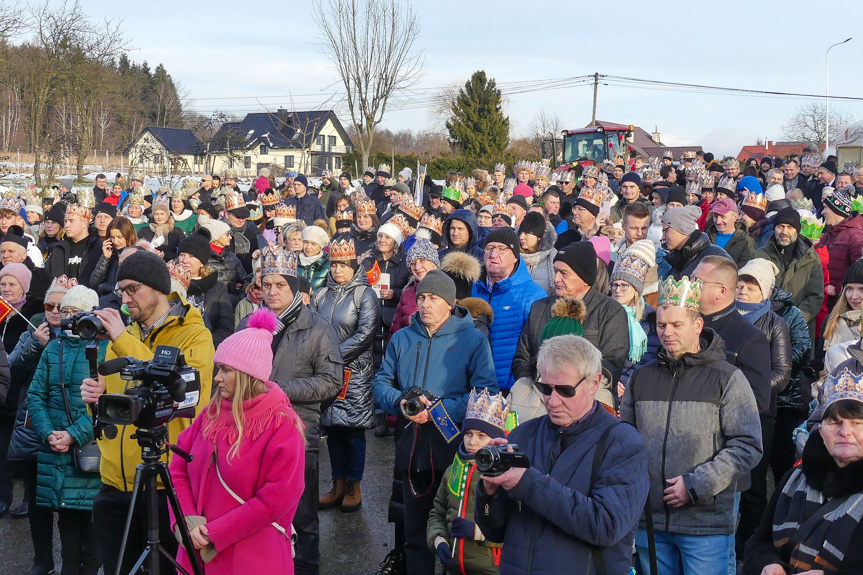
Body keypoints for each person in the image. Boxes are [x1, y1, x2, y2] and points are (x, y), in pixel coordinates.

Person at [79, 250, 215, 575]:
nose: (125, 299)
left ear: (157, 288)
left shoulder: (195, 335)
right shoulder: (121, 338)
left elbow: (187, 398)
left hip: (163, 483)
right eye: (121, 290)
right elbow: (112, 413)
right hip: (115, 482)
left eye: (132, 289)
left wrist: (124, 341)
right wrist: (94, 401)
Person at [620, 275, 763, 575]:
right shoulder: (641, 379)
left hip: (704, 523)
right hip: (651, 521)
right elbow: (626, 443)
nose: (667, 333)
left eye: (676, 325)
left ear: (697, 326)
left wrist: (696, 485)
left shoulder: (727, 378)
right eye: (661, 325)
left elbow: (748, 445)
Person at [476, 335, 649, 574]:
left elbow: (607, 526)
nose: (552, 400)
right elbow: (494, 532)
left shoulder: (622, 442)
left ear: (594, 383)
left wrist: (526, 482)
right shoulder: (522, 435)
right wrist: (489, 493)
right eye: (545, 388)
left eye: (565, 390)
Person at [372, 270, 498, 575]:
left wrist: (440, 410)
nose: (425, 304)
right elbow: (380, 382)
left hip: (456, 447)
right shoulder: (402, 337)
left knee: (453, 526)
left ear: (451, 303)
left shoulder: (473, 339)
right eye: (422, 298)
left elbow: (486, 392)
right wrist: (400, 403)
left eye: (433, 298)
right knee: (414, 532)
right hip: (411, 445)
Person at [170, 308, 306, 574]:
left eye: (225, 370)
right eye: (218, 369)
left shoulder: (282, 424)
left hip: (252, 559)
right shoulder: (210, 412)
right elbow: (178, 465)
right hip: (196, 553)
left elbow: (276, 500)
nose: (217, 377)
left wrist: (215, 533)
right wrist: (185, 519)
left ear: (248, 375)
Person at [238, 244, 342, 575]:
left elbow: (330, 382)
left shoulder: (318, 328)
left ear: (294, 286)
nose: (271, 292)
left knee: (303, 518)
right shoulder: (248, 325)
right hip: (251, 433)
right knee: (256, 515)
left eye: (280, 285)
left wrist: (280, 389)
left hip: (298, 434)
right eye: (266, 284)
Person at [743, 370, 863, 573]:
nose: (845, 432)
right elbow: (759, 541)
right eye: (835, 422)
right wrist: (768, 564)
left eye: (857, 423)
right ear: (821, 430)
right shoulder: (796, 478)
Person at [27, 285, 107, 575]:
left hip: (91, 457)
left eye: (76, 312)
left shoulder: (105, 349)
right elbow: (35, 396)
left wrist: (74, 433)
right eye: (66, 311)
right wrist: (48, 432)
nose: (69, 318)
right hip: (58, 454)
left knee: (93, 547)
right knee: (69, 543)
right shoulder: (53, 349)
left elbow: (106, 405)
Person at [6, 275, 75, 574]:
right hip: (34, 425)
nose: (55, 311)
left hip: (69, 427)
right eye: (50, 304)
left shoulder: (82, 334)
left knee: (72, 501)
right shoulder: (32, 330)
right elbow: (10, 370)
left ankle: (73, 562)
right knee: (37, 500)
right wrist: (35, 345)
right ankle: (42, 559)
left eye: (62, 306)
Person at [311, 238, 380, 513]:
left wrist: (332, 356)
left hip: (354, 372)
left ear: (354, 265)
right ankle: (337, 483)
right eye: (334, 264)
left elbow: (366, 334)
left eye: (343, 265)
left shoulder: (364, 294)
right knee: (332, 428)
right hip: (326, 371)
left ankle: (355, 485)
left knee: (352, 430)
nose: (338, 270)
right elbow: (312, 326)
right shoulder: (321, 294)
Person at [512, 241, 630, 399]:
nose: (556, 279)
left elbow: (611, 365)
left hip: (588, 403)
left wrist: (568, 387)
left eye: (564, 273)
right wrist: (541, 385)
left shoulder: (610, 312)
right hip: (539, 399)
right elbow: (521, 359)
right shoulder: (539, 308)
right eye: (555, 271)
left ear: (585, 278)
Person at [426, 388, 508, 575]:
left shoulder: (505, 475)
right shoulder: (453, 469)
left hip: (492, 570)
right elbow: (437, 512)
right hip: (455, 568)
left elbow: (518, 530)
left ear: (495, 440)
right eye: (468, 433)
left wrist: (478, 532)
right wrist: (439, 541)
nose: (472, 442)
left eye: (482, 436)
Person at [472, 227, 547, 393]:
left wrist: (517, 384)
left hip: (511, 389)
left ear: (515, 257)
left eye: (502, 249)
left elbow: (538, 348)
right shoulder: (472, 290)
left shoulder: (533, 295)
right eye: (489, 248)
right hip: (473, 389)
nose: (493, 254)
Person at [752, 207, 824, 338]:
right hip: (763, 327)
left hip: (799, 330)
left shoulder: (811, 258)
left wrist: (794, 319)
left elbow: (815, 296)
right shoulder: (759, 255)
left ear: (797, 229)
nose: (784, 231)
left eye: (790, 227)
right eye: (780, 226)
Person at [610, 240, 661, 393]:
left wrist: (626, 382)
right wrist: (611, 379)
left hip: (635, 386)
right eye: (615, 284)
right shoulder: (605, 314)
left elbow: (649, 357)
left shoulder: (649, 318)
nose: (618, 290)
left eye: (624, 285)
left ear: (636, 289)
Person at [177, 232, 234, 348]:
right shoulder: (170, 285)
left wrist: (203, 345)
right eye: (182, 255)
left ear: (202, 262)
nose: (185, 260)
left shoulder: (217, 288)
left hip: (206, 349)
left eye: (191, 256)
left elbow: (225, 328)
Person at [819, 185, 863, 311]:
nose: (822, 212)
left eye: (826, 208)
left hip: (842, 303)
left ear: (836, 211)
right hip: (827, 302)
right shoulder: (827, 234)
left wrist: (838, 288)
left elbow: (860, 269)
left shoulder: (855, 236)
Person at [661, 205, 732, 280]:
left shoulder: (716, 257)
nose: (663, 237)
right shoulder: (676, 258)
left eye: (666, 231)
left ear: (681, 228)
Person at [45, 201, 103, 285]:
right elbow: (48, 277)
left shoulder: (98, 247)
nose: (66, 225)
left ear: (84, 223)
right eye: (65, 221)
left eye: (71, 221)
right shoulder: (59, 248)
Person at [390, 239, 440, 337]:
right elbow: (396, 330)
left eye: (422, 261)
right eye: (413, 263)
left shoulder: (446, 289)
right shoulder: (407, 293)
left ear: (434, 264)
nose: (417, 267)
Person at [89, 216, 137, 297]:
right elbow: (93, 283)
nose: (115, 241)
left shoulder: (136, 255)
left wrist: (104, 287)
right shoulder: (110, 254)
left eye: (119, 237)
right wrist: (105, 258)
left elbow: (128, 288)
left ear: (128, 235)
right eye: (112, 237)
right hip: (106, 302)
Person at [822, 260, 863, 351]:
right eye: (849, 289)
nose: (854, 296)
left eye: (861, 290)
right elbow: (818, 361)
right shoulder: (831, 321)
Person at [706, 197, 754, 268]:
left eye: (723, 217)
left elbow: (745, 270)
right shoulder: (706, 237)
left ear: (734, 217)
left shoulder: (747, 242)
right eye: (715, 216)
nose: (718, 221)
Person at [517, 211, 557, 295]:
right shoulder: (514, 257)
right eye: (520, 233)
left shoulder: (553, 257)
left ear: (538, 237)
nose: (521, 237)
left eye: (527, 233)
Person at [297, 225, 331, 293]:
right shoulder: (293, 260)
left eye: (313, 244)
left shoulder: (328, 263)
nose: (308, 247)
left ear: (320, 246)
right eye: (305, 242)